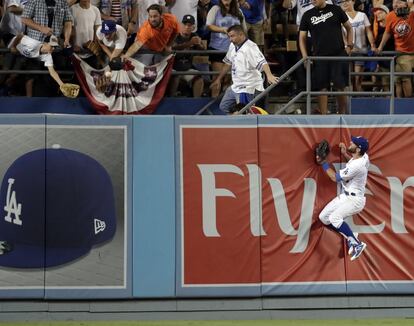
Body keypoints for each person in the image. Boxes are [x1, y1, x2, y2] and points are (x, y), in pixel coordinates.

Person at [317, 136, 370, 261]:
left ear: (358, 149)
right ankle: (351, 235)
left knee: (334, 218)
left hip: (355, 200)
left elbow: (334, 178)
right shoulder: (363, 157)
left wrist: (323, 163)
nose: (350, 142)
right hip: (346, 196)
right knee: (323, 218)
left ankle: (357, 244)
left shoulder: (358, 164)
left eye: (353, 143)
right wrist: (345, 154)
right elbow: (352, 165)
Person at [299, 0, 354, 114]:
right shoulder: (307, 15)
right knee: (321, 87)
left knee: (340, 85)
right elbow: (302, 37)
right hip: (319, 56)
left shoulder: (336, 9)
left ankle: (342, 114)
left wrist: (349, 45)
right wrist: (305, 56)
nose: (313, 0)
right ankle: (323, 117)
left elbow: (349, 27)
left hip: (338, 55)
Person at [210, 24, 278, 113]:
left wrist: (269, 75)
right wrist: (218, 79)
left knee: (244, 112)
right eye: (229, 36)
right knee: (224, 107)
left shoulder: (250, 47)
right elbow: (227, 63)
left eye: (232, 36)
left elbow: (263, 62)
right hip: (235, 86)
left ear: (241, 35)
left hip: (247, 86)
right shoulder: (232, 46)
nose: (230, 39)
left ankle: (243, 124)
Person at [206, 0, 246, 97]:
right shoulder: (215, 9)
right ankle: (213, 102)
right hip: (217, 48)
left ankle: (226, 104)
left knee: (229, 78)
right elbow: (209, 25)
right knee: (217, 77)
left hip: (233, 50)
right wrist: (222, 29)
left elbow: (244, 29)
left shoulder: (239, 12)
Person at [376, 0, 414, 98]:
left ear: (406, 3)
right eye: (393, 2)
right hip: (402, 53)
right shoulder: (390, 15)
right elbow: (387, 32)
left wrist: (411, 7)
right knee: (402, 79)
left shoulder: (412, 12)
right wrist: (380, 46)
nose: (395, 4)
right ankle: (405, 104)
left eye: (398, 2)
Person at [340, 0, 376, 92]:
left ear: (353, 1)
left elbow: (368, 31)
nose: (344, 3)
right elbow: (341, 34)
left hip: (361, 51)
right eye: (342, 1)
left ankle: (358, 99)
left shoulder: (362, 15)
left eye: (346, 1)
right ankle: (352, 101)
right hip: (348, 52)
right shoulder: (341, 16)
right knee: (349, 79)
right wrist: (346, 46)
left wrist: (372, 45)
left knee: (357, 79)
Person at [168, 14, 206, 97]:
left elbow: (203, 51)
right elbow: (173, 48)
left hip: (187, 69)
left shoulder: (194, 36)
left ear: (193, 27)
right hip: (173, 68)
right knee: (175, 76)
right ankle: (171, 101)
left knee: (199, 79)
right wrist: (190, 43)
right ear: (181, 25)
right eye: (185, 24)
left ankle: (196, 104)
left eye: (189, 25)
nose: (187, 27)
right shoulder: (175, 35)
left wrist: (199, 45)